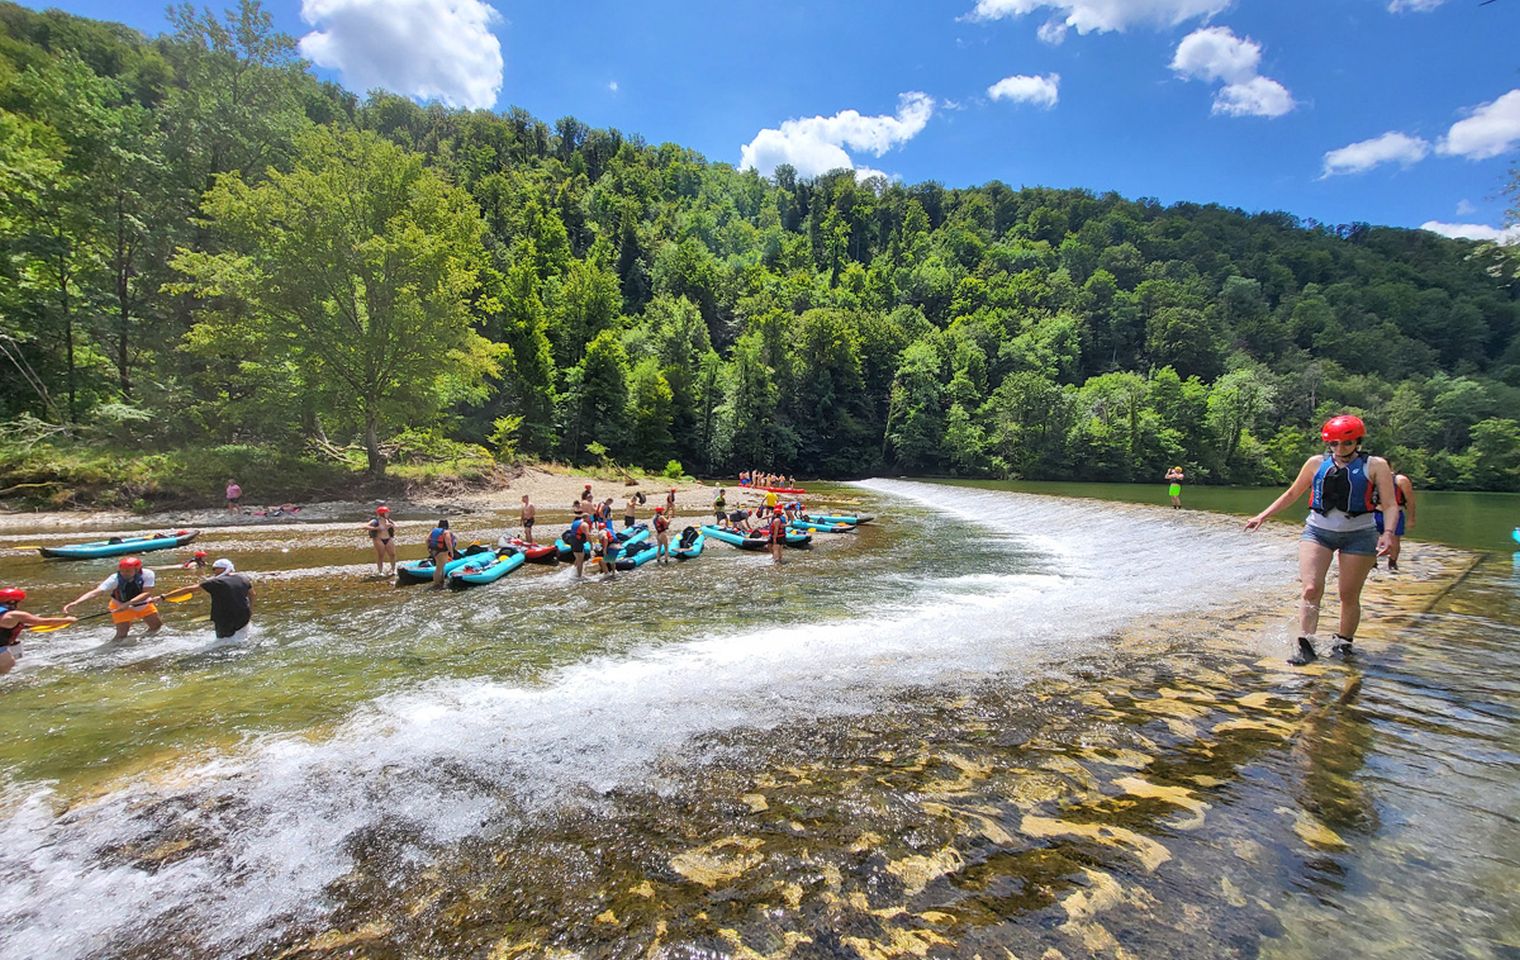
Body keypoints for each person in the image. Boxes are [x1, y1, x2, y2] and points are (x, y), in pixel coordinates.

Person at [1244, 415, 1398, 666]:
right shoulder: (1316, 463)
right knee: (1311, 589)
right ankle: (1306, 644)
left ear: (1358, 442)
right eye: (1335, 444)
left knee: (1348, 594)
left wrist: (1388, 534)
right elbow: (1293, 493)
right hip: (1318, 531)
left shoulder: (1376, 465)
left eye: (1347, 444)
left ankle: (1344, 642)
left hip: (1359, 534)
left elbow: (1390, 504)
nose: (1340, 449)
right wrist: (1263, 516)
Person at [63, 556, 163, 641]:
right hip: (119, 605)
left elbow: (146, 593)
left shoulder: (148, 574)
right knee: (121, 635)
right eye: (122, 571)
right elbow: (97, 592)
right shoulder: (114, 579)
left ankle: (145, 641)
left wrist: (128, 603)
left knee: (157, 626)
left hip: (142, 604)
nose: (124, 573)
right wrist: (76, 602)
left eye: (128, 571)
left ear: (137, 570)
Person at [1, 588, 75, 676]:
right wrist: (67, 620)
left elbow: (7, 626)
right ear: (13, 601)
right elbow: (44, 621)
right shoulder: (15, 615)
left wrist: (27, 626)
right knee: (8, 668)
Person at [195, 559, 254, 643]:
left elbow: (189, 590)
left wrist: (168, 595)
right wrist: (250, 608)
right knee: (243, 637)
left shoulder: (215, 582)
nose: (214, 571)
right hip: (244, 615)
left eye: (215, 569)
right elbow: (252, 594)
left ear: (223, 569)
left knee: (222, 642)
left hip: (224, 618)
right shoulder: (243, 578)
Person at [1374, 467, 1416, 572]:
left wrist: (1411, 518)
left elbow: (1410, 501)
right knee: (1371, 538)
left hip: (1395, 513)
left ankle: (1392, 562)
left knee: (1395, 539)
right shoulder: (1373, 478)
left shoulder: (1400, 480)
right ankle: (1372, 563)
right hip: (1375, 512)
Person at [363, 506, 397, 575]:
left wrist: (391, 525)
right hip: (378, 539)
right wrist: (377, 528)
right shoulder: (375, 521)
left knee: (392, 554)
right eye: (386, 513)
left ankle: (393, 570)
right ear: (382, 514)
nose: (388, 514)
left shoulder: (389, 520)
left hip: (388, 538)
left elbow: (396, 526)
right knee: (381, 555)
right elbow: (364, 526)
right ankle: (380, 571)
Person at [426, 519, 456, 590]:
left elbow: (427, 540)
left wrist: (429, 549)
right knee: (439, 568)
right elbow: (448, 543)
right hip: (442, 551)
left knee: (441, 566)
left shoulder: (433, 531)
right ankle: (436, 585)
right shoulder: (446, 532)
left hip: (434, 551)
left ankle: (441, 582)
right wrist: (451, 552)